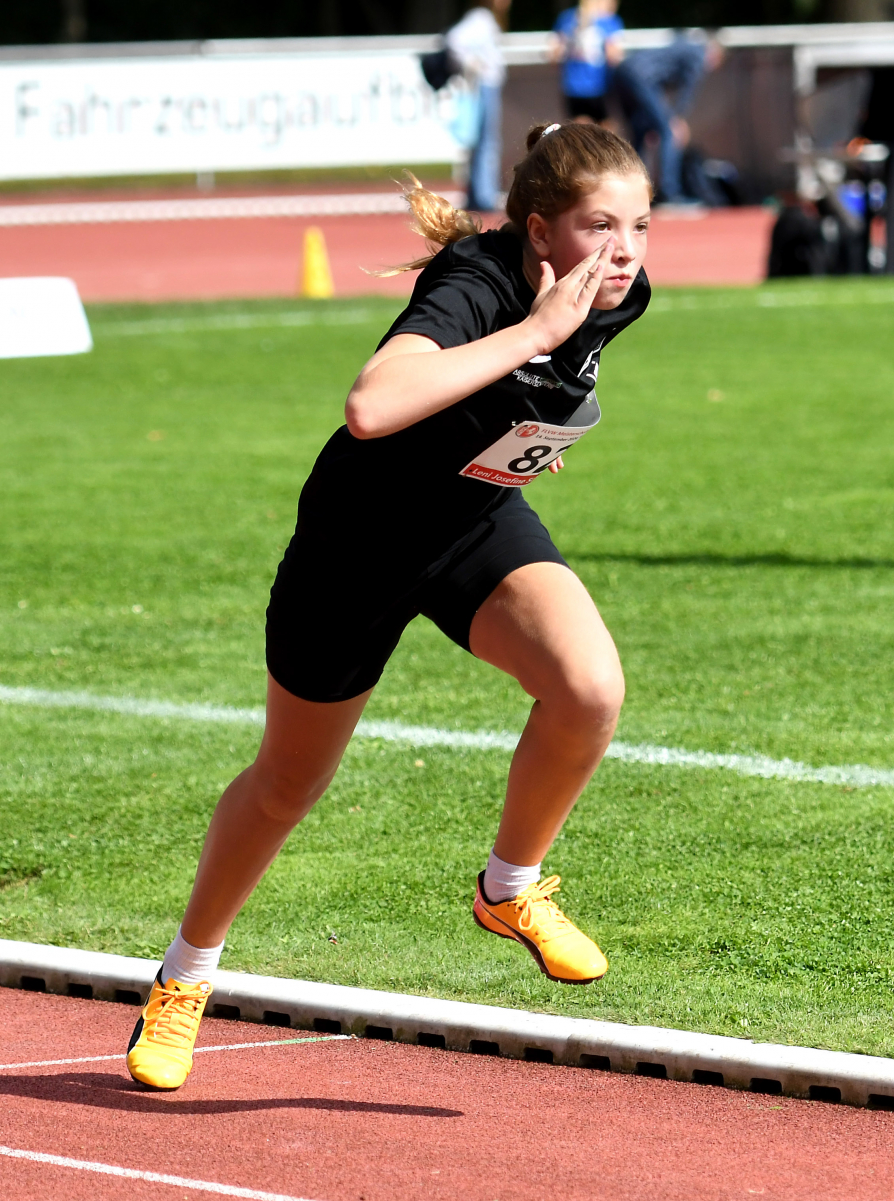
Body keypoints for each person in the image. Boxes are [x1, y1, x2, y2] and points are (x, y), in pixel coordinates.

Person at [126, 121, 653, 1091]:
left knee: (589, 687)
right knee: (287, 786)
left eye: (642, 225)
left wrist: (535, 422)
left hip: (473, 524)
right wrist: (530, 338)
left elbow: (525, 396)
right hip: (356, 549)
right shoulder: (475, 283)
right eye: (599, 226)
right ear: (539, 233)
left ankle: (511, 889)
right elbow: (371, 406)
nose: (625, 251)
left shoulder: (621, 293)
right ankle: (184, 974)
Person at [614, 33, 725, 206]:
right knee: (668, 132)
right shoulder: (699, 54)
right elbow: (689, 89)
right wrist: (677, 119)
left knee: (639, 132)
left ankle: (630, 189)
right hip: (641, 78)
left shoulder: (682, 47)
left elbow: (660, 84)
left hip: (625, 73)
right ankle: (669, 192)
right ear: (715, 55)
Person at [446, 0, 511, 212]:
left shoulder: (486, 19)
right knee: (487, 142)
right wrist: (474, 65)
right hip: (485, 86)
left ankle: (477, 194)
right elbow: (454, 40)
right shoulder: (481, 18)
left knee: (482, 142)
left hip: (486, 85)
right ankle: (484, 196)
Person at [551, 0, 624, 126]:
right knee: (602, 132)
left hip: (581, 86)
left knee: (581, 132)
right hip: (593, 87)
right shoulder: (608, 21)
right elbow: (614, 57)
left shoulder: (566, 18)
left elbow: (554, 56)